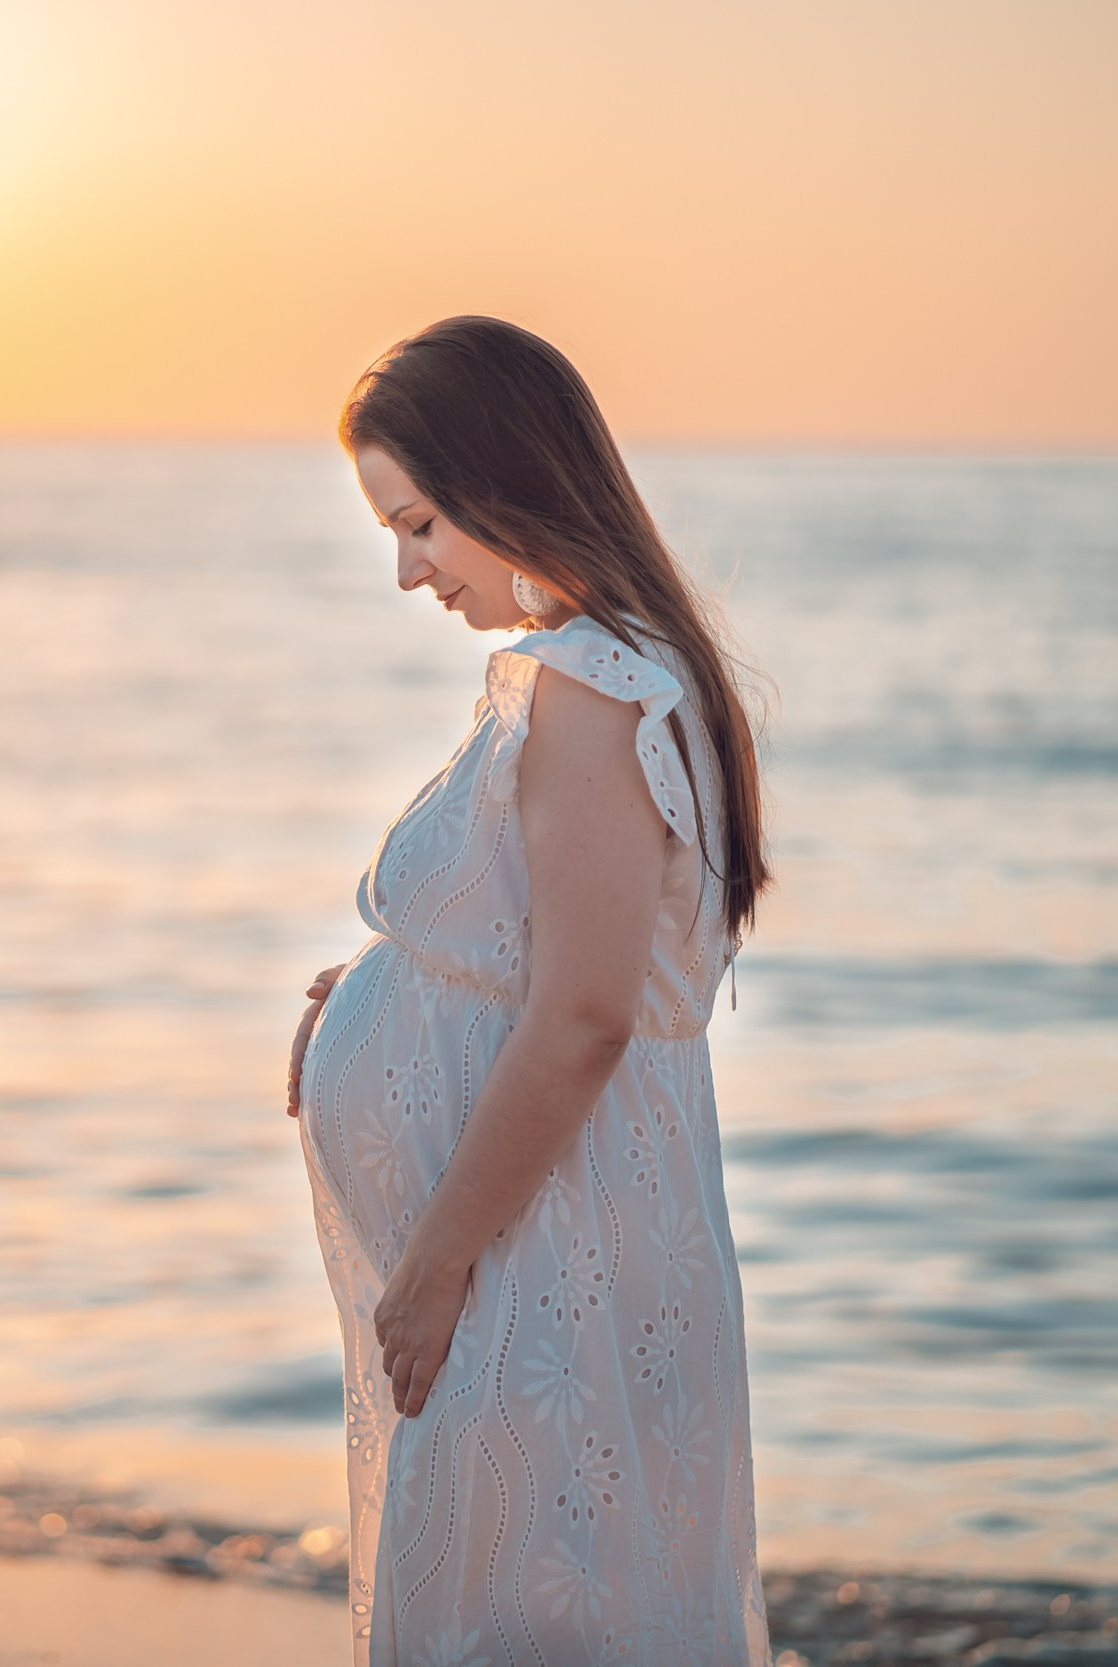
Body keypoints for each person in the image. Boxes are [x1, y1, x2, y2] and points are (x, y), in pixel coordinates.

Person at [287, 316, 774, 1665]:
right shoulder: (610, 672)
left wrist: (436, 1268)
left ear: (507, 482)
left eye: (423, 524)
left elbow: (584, 1017)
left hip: (534, 1258)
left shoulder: (589, 691)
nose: (405, 570)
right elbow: (549, 960)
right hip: (550, 1241)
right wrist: (379, 996)